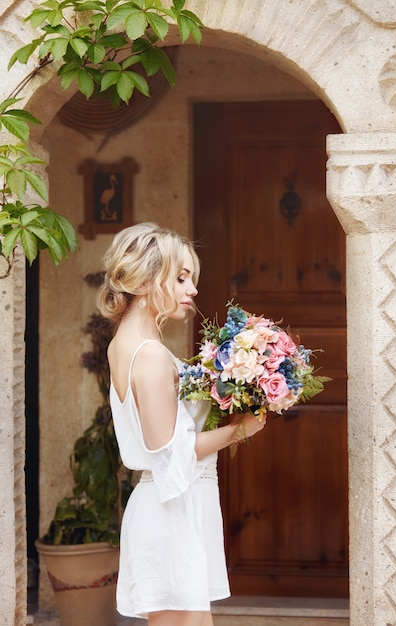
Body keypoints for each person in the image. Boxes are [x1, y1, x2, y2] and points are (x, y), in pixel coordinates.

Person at [97, 222, 267, 626]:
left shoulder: (125, 345)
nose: (192, 289)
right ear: (145, 279)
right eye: (180, 277)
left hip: (175, 507)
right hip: (169, 511)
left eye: (191, 278)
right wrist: (244, 428)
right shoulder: (150, 355)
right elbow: (170, 452)